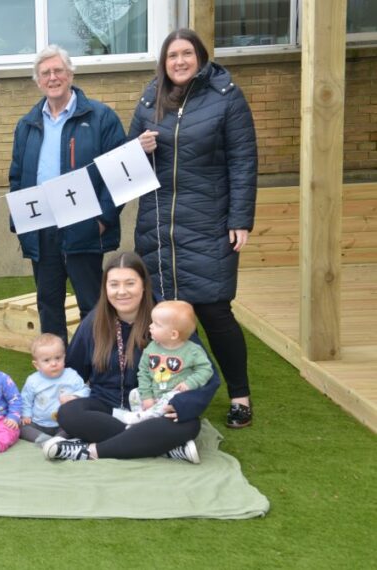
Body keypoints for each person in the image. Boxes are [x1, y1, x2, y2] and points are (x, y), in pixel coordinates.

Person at [130, 28, 257, 428]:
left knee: (214, 311)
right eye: (172, 56)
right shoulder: (150, 99)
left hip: (208, 222)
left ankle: (240, 395)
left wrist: (240, 218)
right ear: (163, 63)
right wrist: (139, 148)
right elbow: (128, 162)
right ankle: (184, 390)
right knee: (168, 317)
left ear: (200, 58)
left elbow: (243, 160)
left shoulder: (226, 98)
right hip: (158, 227)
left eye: (186, 54)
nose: (179, 62)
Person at [43, 251, 220, 465]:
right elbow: (73, 370)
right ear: (105, 287)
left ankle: (89, 450)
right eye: (114, 284)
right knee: (69, 413)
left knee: (188, 424)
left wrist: (184, 404)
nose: (121, 292)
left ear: (144, 285)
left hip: (153, 408)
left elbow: (207, 375)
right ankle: (161, 446)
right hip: (107, 408)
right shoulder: (93, 322)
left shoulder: (169, 319)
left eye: (130, 283)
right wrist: (68, 392)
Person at [9, 45, 128, 344]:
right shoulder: (26, 124)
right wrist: (20, 222)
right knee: (49, 304)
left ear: (71, 74)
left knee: (92, 305)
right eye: (45, 73)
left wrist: (102, 219)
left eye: (58, 70)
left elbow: (119, 175)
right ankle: (56, 373)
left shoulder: (101, 117)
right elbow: (16, 176)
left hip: (84, 224)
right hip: (42, 228)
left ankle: (99, 369)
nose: (53, 77)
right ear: (38, 81)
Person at [113, 300, 213, 425]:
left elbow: (206, 369)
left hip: (174, 397)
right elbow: (143, 373)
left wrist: (189, 383)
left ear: (173, 334)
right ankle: (143, 419)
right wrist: (147, 397)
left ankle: (138, 419)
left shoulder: (192, 351)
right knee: (134, 393)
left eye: (157, 324)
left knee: (171, 397)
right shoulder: (151, 348)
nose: (150, 326)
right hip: (154, 395)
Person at [20, 333, 89, 444]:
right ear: (36, 365)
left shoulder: (71, 376)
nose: (53, 363)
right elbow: (26, 399)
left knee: (76, 426)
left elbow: (86, 391)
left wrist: (74, 396)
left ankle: (57, 439)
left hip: (63, 424)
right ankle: (42, 438)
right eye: (46, 360)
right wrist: (26, 415)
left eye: (58, 358)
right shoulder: (33, 380)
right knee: (20, 426)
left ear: (64, 357)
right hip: (38, 424)